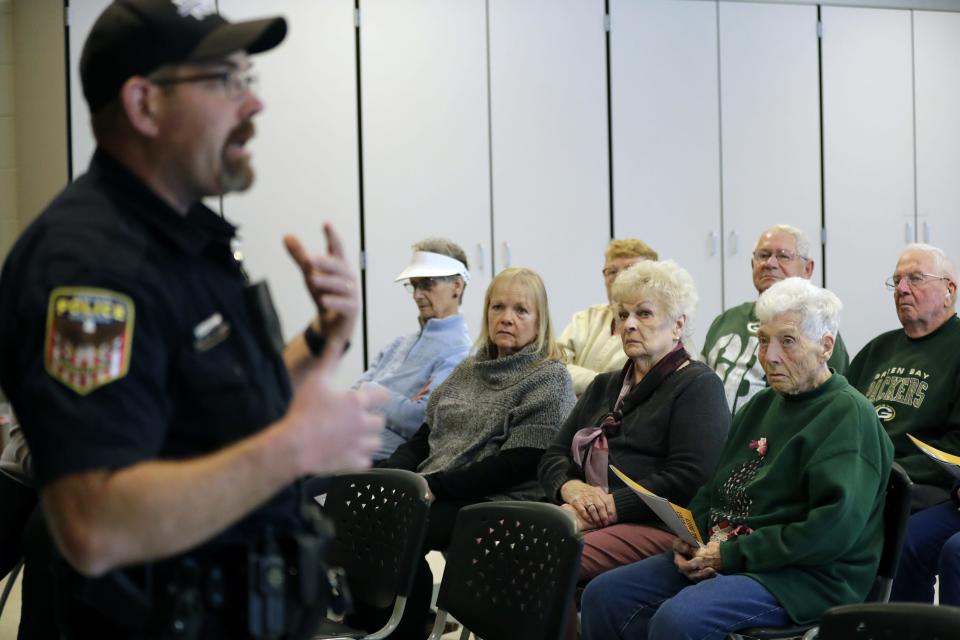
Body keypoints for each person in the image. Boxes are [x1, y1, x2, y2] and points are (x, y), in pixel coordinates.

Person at [0, 2, 385, 637]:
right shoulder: (90, 268)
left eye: (248, 81)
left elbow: (217, 413)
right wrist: (293, 448)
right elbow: (94, 524)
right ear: (144, 104)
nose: (252, 105)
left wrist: (325, 335)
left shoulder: (184, 243)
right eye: (224, 81)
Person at [581, 277, 893, 640]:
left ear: (826, 346)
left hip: (804, 576)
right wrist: (690, 537)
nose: (770, 356)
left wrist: (729, 556)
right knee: (603, 595)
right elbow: (714, 490)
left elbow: (830, 532)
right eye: (763, 340)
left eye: (787, 341)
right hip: (731, 554)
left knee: (679, 620)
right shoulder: (761, 405)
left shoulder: (848, 417)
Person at [369, 267, 576, 639]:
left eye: (520, 310)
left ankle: (401, 630)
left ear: (540, 319)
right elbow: (424, 437)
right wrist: (394, 475)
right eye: (498, 307)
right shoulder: (469, 368)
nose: (507, 318)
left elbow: (519, 463)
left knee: (402, 527)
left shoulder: (549, 377)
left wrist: (435, 486)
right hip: (445, 490)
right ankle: (376, 622)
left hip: (498, 500)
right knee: (374, 510)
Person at [538, 260, 730, 639]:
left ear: (678, 325)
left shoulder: (697, 385)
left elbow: (691, 478)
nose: (628, 323)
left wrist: (608, 507)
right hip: (587, 514)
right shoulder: (605, 385)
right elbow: (552, 456)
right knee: (494, 541)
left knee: (546, 554)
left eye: (644, 313)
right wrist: (571, 489)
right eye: (622, 313)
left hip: (659, 524)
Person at [846, 243, 960, 510]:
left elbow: (955, 449)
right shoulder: (876, 349)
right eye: (897, 281)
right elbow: (839, 416)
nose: (901, 289)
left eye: (915, 279)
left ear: (949, 290)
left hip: (918, 488)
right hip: (857, 476)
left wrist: (887, 469)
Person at [702, 224, 850, 413]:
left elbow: (828, 402)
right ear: (752, 264)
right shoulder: (725, 320)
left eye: (783, 256)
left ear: (807, 268)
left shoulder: (817, 330)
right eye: (763, 255)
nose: (770, 263)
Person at [355, 239, 472, 461]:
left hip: (379, 470)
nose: (417, 295)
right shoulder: (398, 344)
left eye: (427, 284)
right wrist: (397, 401)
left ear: (456, 286)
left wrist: (371, 391)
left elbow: (421, 421)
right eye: (414, 285)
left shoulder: (459, 354)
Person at [557, 238, 658, 395]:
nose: (619, 279)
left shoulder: (663, 328)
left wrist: (578, 386)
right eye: (612, 271)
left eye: (630, 270)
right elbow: (554, 369)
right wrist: (606, 383)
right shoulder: (585, 319)